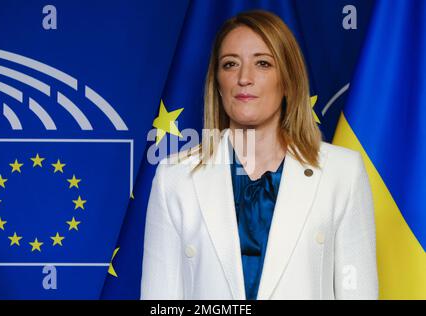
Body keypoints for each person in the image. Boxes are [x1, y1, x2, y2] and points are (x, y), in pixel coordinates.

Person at [141, 10, 378, 300]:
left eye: (263, 63)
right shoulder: (174, 177)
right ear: (217, 81)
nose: (244, 78)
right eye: (230, 64)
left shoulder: (342, 172)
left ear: (288, 80)